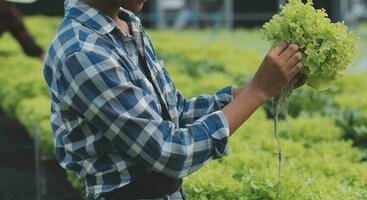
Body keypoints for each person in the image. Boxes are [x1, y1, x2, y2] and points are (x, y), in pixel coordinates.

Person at [43, 0, 307, 199]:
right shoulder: (82, 51)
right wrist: (256, 92)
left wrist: (264, 85)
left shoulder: (127, 24)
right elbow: (171, 152)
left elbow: (176, 112)